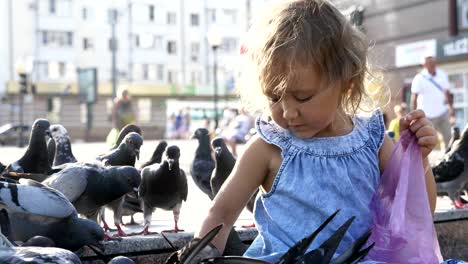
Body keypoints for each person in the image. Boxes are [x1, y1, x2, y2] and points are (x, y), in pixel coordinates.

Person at [191, 1, 439, 263]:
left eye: (302, 97)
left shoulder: (372, 142)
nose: (287, 112)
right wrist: (198, 257)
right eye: (274, 97)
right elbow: (220, 215)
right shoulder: (267, 148)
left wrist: (419, 160)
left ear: (347, 84)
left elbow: (418, 212)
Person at [411, 55, 455, 150]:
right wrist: (414, 116)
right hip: (427, 115)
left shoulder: (442, 75)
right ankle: (428, 162)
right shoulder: (419, 78)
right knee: (427, 141)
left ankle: (447, 160)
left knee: (448, 138)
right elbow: (414, 98)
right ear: (424, 65)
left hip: (442, 112)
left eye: (433, 62)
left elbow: (447, 93)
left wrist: (452, 109)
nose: (432, 65)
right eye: (429, 63)